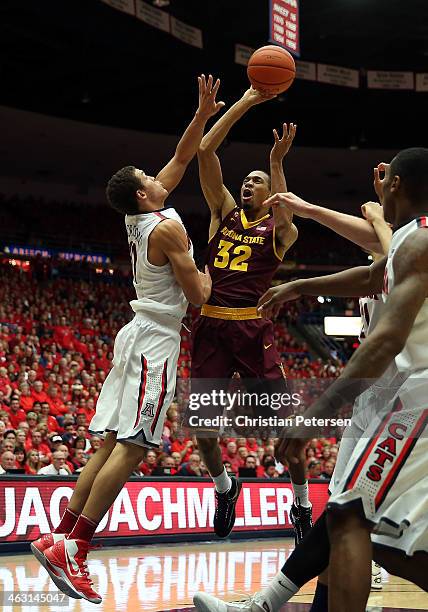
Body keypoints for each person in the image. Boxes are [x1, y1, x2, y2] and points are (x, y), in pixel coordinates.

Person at [194, 148, 428, 612]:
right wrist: (300, 286)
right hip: (389, 398)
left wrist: (311, 419)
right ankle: (264, 604)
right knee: (352, 521)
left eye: (387, 182)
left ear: (395, 185)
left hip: (411, 398)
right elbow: (370, 275)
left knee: (352, 519)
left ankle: (263, 605)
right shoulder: (405, 242)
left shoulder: (417, 241)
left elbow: (384, 342)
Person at [30, 74, 223, 604]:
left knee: (112, 443)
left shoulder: (146, 213)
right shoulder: (166, 228)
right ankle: (77, 549)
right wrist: (218, 255)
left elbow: (182, 158)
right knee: (134, 447)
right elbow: (203, 296)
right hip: (156, 339)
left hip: (135, 333)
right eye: (149, 175)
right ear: (144, 192)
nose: (161, 174)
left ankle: (60, 536)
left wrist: (202, 112)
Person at [191, 86, 311, 542]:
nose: (248, 183)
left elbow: (284, 210)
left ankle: (300, 506)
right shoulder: (221, 211)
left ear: (269, 191)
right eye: (246, 179)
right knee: (203, 430)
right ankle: (225, 488)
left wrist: (277, 163)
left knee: (286, 434)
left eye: (256, 180)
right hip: (210, 324)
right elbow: (204, 150)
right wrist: (245, 102)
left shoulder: (281, 231)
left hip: (251, 328)